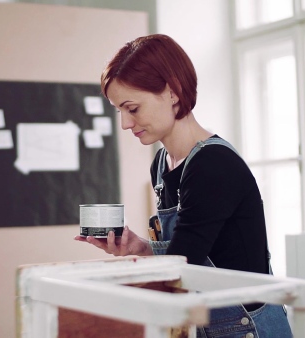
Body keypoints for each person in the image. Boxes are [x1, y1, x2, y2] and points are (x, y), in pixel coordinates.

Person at [74, 34, 292, 338]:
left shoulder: (212, 165)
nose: (125, 123)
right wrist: (141, 248)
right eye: (119, 111)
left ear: (173, 92)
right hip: (205, 327)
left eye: (132, 108)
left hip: (248, 330)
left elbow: (182, 265)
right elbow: (192, 248)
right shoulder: (162, 165)